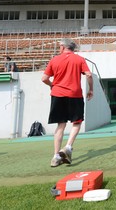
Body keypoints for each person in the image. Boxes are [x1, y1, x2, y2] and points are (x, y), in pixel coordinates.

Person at [41, 38, 93, 167]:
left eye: (59, 46)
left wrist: (52, 85)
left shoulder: (54, 60)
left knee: (61, 125)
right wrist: (91, 89)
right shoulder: (79, 59)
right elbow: (89, 75)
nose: (59, 48)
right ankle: (68, 147)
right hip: (74, 94)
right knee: (77, 122)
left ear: (63, 47)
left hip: (57, 94)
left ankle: (56, 156)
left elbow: (44, 78)